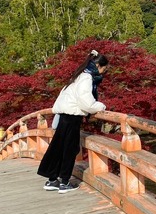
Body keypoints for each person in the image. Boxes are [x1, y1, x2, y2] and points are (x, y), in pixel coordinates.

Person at [37, 50, 108, 194]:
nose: (103, 73)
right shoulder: (87, 78)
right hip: (72, 117)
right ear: (98, 65)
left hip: (64, 116)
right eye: (104, 69)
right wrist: (100, 106)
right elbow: (86, 102)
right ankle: (64, 181)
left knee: (58, 148)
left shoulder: (78, 75)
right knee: (69, 149)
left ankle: (52, 180)